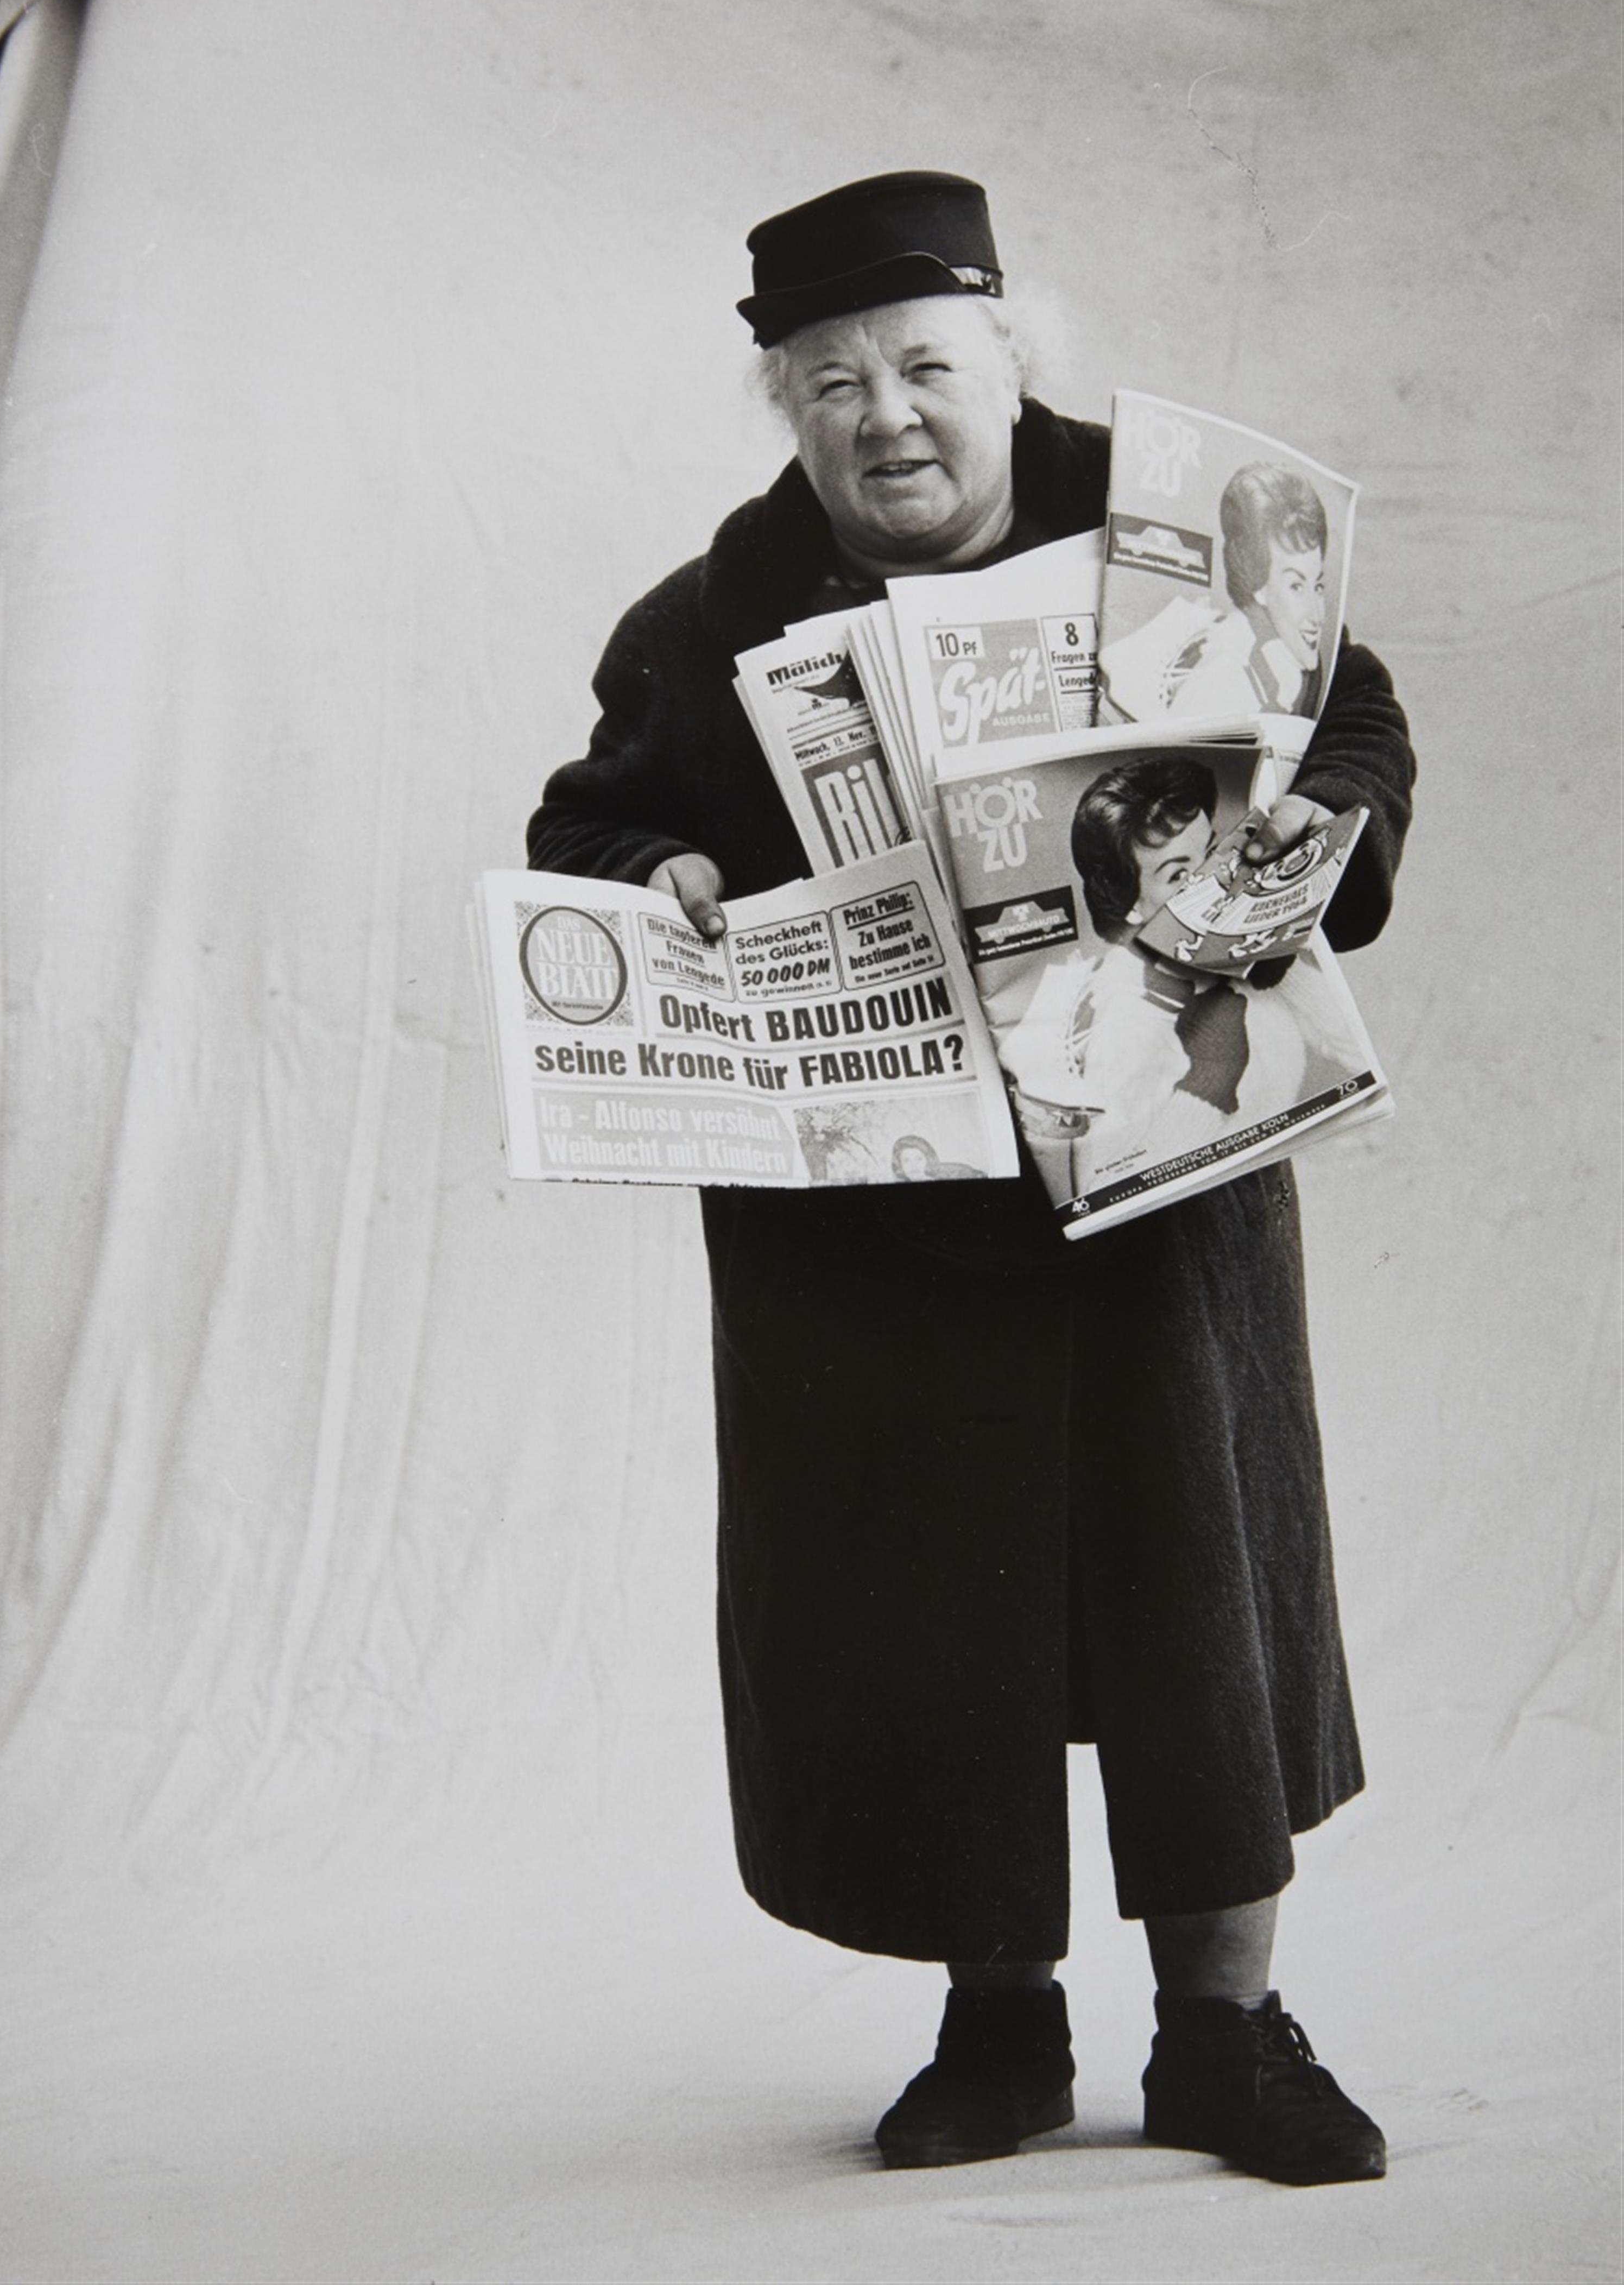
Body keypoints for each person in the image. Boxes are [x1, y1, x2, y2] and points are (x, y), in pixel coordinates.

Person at [528, 172, 1415, 2183]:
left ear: (1012, 359)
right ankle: (995, 2024)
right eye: (830, 382)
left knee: (1198, 1604)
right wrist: (654, 883)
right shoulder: (703, 622)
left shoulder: (1179, 541)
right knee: (926, 1619)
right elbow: (586, 830)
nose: (886, 416)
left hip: (1157, 1165)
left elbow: (1350, 728)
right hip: (876, 1230)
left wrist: (1303, 843)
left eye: (927, 363)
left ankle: (1226, 2030)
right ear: (786, 410)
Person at [996, 757, 1312, 1197]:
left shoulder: (1236, 944)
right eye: (1179, 875)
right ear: (1131, 903)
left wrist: (1291, 959)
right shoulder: (1120, 1017)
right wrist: (1207, 1083)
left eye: (1212, 852)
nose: (1212, 881)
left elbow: (1353, 1057)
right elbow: (1107, 1186)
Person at [1167, 462, 1331, 721]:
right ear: (1259, 588)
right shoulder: (1225, 677)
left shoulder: (1288, 665)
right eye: (1296, 587)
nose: (1317, 614)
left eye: (1318, 587)